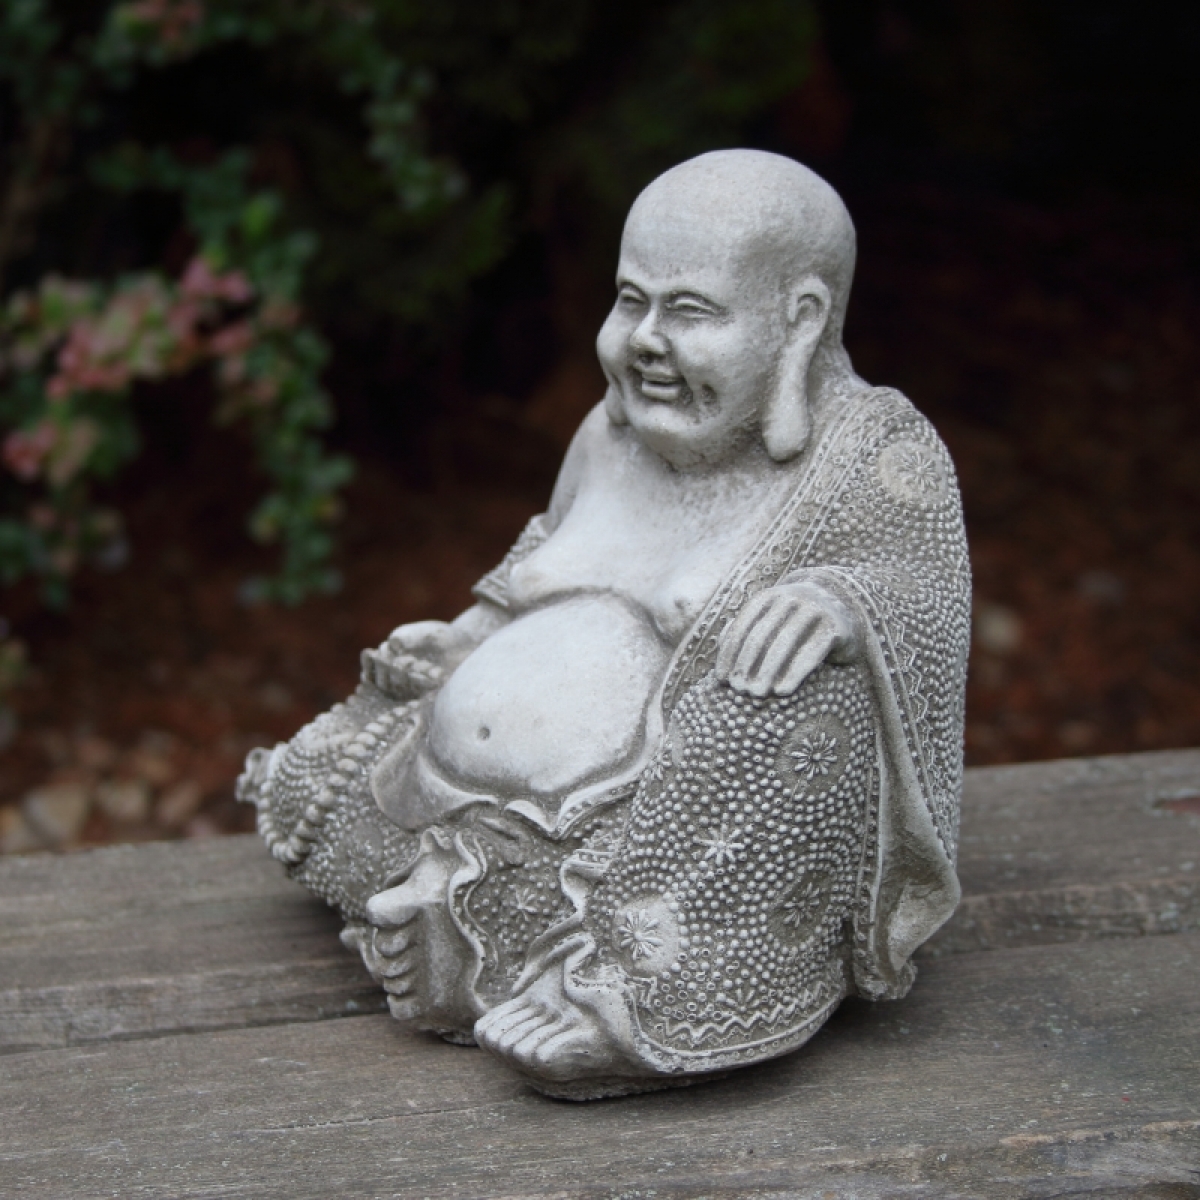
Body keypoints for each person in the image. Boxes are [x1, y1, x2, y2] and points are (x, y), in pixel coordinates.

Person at [239, 149, 970, 1097]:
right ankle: (471, 920)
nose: (646, 341)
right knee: (313, 777)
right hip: (465, 785)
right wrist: (466, 635)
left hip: (664, 826)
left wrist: (841, 601)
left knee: (798, 694)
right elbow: (546, 556)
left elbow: (925, 594)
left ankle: (625, 992)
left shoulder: (869, 457)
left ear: (799, 320)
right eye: (631, 301)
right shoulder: (610, 430)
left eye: (691, 311)